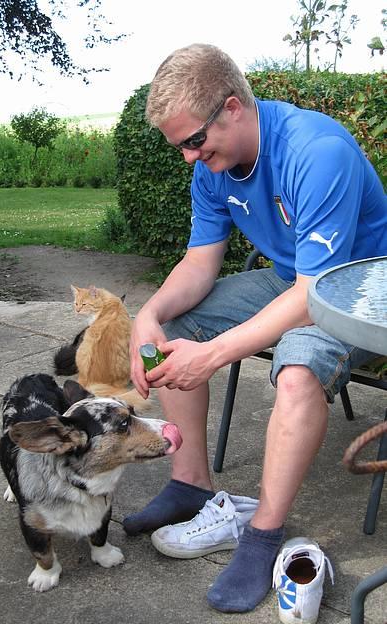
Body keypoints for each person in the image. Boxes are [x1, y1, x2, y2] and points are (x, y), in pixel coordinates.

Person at [123, 43, 387, 613]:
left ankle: (263, 536)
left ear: (234, 107)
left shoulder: (317, 153)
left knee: (295, 373)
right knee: (173, 324)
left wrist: (213, 354)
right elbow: (200, 262)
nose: (190, 158)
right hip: (297, 278)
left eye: (195, 141)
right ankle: (190, 483)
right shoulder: (212, 168)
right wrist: (147, 315)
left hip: (363, 292)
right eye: (180, 148)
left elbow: (314, 296)